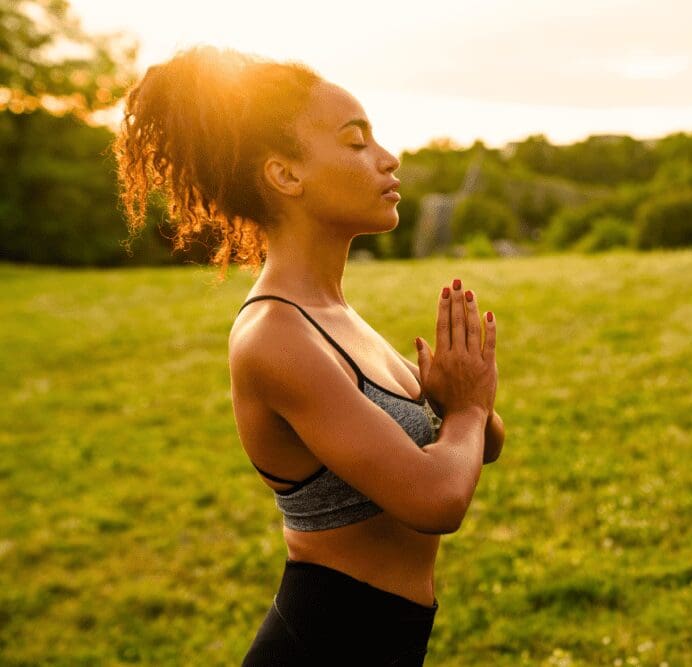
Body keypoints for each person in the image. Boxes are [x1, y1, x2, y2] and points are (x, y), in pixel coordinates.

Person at [113, 45, 505, 665]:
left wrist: (459, 402)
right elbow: (436, 499)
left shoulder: (336, 316)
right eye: (356, 143)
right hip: (324, 645)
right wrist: (467, 408)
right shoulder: (276, 336)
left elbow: (474, 444)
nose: (388, 158)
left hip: (387, 641)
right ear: (286, 175)